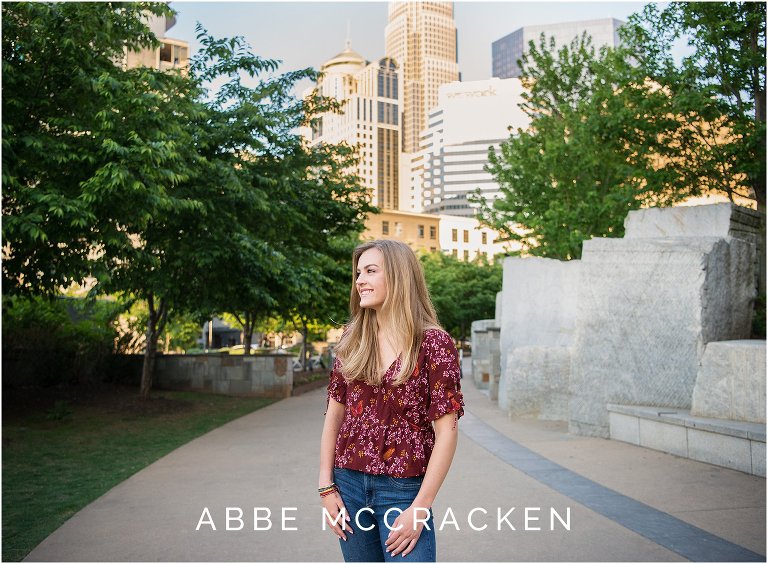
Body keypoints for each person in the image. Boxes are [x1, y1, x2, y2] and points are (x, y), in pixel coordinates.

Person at [318, 239, 465, 562]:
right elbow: (335, 416)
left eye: (370, 271)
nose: (360, 281)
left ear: (398, 276)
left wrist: (421, 507)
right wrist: (326, 486)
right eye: (358, 273)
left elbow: (447, 432)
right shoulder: (353, 338)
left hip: (403, 490)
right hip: (348, 485)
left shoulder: (433, 343)